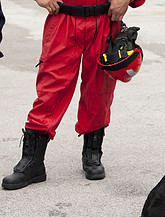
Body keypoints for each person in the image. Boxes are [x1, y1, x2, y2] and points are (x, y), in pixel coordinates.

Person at [1, 0, 145, 190]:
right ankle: (32, 162)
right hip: (62, 19)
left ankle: (92, 154)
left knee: (99, 91)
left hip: (105, 20)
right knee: (50, 91)